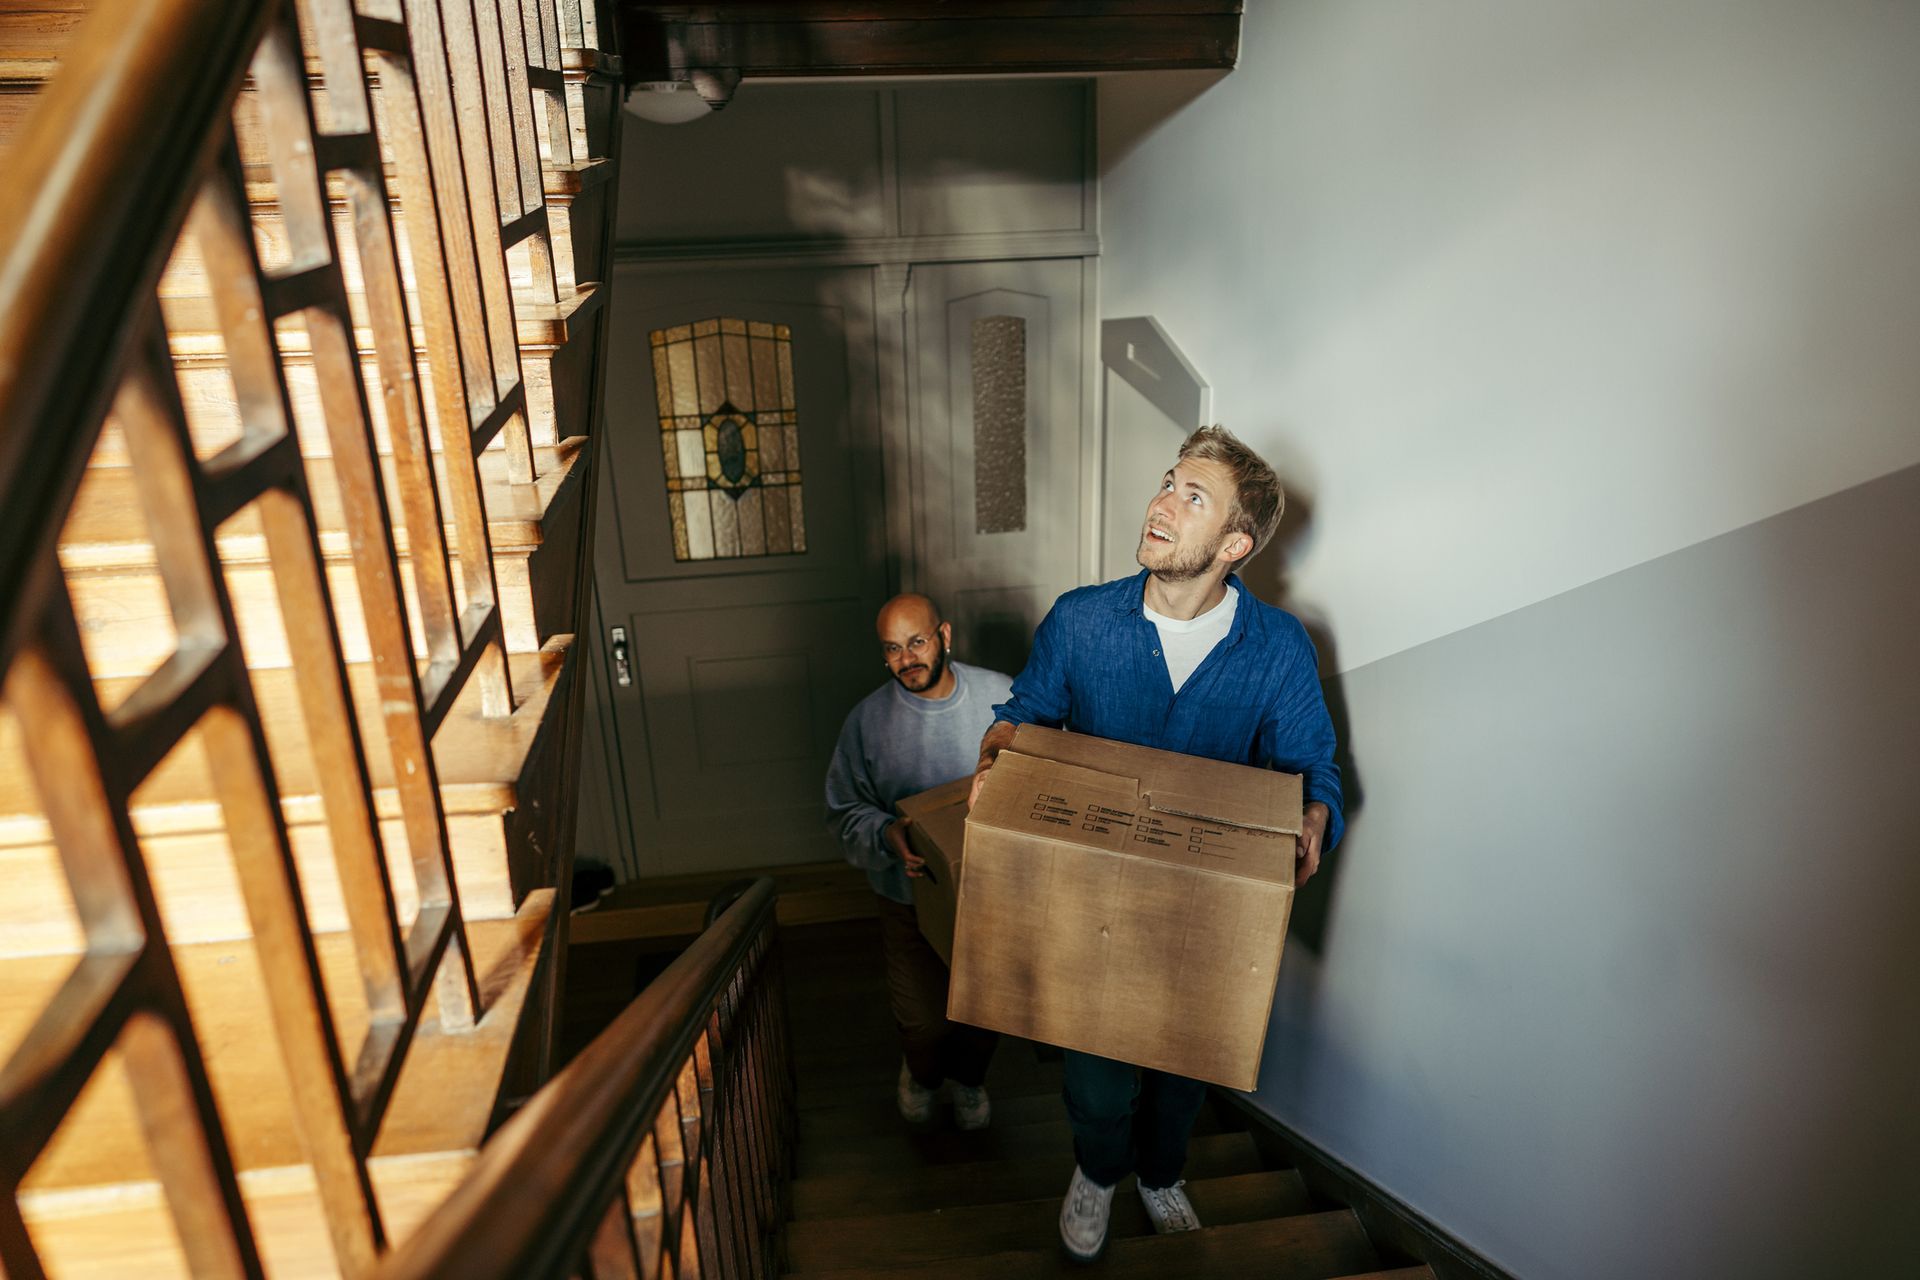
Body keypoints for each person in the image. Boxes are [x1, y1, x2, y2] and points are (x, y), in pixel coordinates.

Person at [970, 425, 1344, 1261]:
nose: (1161, 504)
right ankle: (1099, 1174)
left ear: (1235, 544)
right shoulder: (1079, 621)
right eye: (1168, 482)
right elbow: (1025, 716)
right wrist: (1002, 748)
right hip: (1092, 909)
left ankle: (1161, 1173)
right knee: (1096, 1084)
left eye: (1193, 497)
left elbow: (1312, 767)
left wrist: (1317, 811)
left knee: (1180, 1081)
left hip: (1205, 923)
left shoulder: (1278, 648)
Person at [826, 593, 1014, 1129]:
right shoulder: (866, 722)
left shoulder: (1002, 698)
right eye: (892, 649)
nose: (907, 659)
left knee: (982, 1013)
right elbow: (842, 811)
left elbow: (1042, 781)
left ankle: (971, 1081)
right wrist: (886, 835)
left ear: (945, 637)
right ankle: (925, 1076)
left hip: (990, 897)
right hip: (905, 898)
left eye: (917, 642)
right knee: (923, 1024)